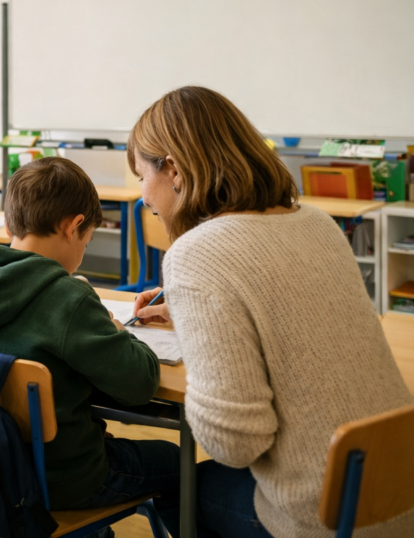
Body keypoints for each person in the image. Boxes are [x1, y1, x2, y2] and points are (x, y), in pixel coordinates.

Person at [128, 86, 414, 537]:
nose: (144, 197)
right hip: (397, 489)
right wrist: (196, 317)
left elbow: (234, 444)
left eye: (141, 176)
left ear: (175, 170)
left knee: (175, 487)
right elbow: (294, 325)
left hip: (327, 520)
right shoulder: (316, 222)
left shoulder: (197, 253)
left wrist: (205, 345)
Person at [0, 156, 180, 536]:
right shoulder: (69, 300)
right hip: (58, 479)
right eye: (88, 238)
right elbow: (139, 384)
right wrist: (116, 330)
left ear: (8, 221)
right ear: (73, 227)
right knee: (177, 462)